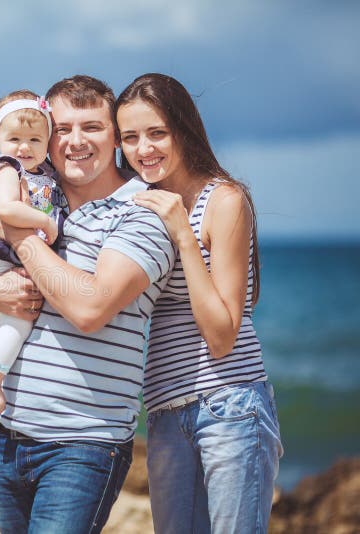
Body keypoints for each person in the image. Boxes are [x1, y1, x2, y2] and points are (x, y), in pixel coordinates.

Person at [0, 75, 175, 534]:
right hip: (9, 437)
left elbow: (90, 309)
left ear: (115, 137)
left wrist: (19, 233)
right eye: (62, 128)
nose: (75, 141)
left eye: (92, 127)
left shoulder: (143, 211)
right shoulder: (33, 193)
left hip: (84, 444)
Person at [115, 72, 283, 533]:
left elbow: (222, 334)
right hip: (166, 412)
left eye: (156, 133)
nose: (143, 148)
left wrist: (183, 233)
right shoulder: (139, 204)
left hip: (228, 404)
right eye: (129, 137)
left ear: (183, 129)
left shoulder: (225, 199)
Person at [0, 89, 61, 415]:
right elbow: (6, 208)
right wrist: (44, 223)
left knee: (2, 317)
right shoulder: (9, 168)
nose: (25, 147)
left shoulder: (43, 172)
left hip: (3, 256)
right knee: (20, 320)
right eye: (15, 138)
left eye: (36, 139)